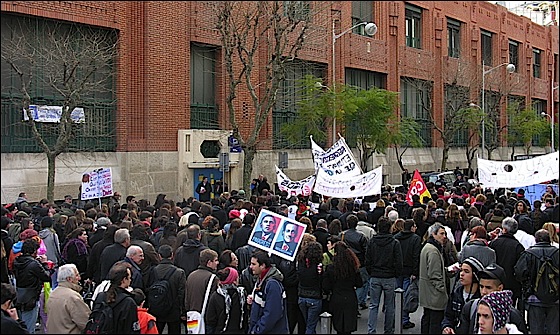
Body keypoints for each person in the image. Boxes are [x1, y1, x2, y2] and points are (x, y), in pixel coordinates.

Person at [456, 263, 528, 334]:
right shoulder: (470, 307)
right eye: (481, 286)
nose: (483, 292)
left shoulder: (513, 315)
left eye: (488, 287)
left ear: (500, 288)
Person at [514, 229, 559, 334]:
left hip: (534, 297)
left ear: (536, 240)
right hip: (555, 297)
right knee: (554, 329)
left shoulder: (528, 253)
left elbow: (519, 273)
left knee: (536, 329)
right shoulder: (557, 253)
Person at [364, 216, 403, 334]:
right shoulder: (394, 243)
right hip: (389, 277)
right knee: (390, 306)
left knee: (373, 305)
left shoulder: (372, 242)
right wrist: (396, 274)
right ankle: (388, 330)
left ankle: (371, 330)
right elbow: (398, 261)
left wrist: (371, 272)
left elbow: (368, 260)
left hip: (375, 276)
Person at [322, 241, 363, 334]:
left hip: (336, 298)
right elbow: (359, 283)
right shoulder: (353, 268)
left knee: (338, 327)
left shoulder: (331, 268)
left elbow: (326, 286)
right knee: (348, 328)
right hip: (350, 298)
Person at [13, 239, 52, 333]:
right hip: (31, 297)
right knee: (29, 327)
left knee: (22, 325)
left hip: (19, 296)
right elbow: (46, 277)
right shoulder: (33, 264)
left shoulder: (17, 261)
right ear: (34, 251)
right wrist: (45, 264)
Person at [92, 261, 140, 334]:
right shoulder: (128, 302)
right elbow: (132, 329)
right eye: (129, 278)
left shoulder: (101, 296)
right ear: (124, 280)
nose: (131, 280)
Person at [247, 250, 289, 334]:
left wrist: (257, 330)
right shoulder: (260, 280)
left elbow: (272, 314)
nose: (250, 267)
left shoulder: (272, 284)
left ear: (263, 265)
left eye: (254, 264)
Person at [488, 217, 525, 310]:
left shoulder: (494, 243)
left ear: (504, 229)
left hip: (495, 279)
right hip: (512, 282)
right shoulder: (518, 246)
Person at [441, 257, 484, 334]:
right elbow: (448, 316)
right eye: (461, 270)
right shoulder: (456, 293)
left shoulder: (481, 298)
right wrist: (447, 327)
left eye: (466, 271)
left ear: (475, 276)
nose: (461, 274)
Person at [419, 222, 448, 334]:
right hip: (434, 294)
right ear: (433, 234)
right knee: (435, 323)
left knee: (427, 319)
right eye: (441, 233)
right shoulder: (433, 251)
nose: (444, 236)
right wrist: (442, 290)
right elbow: (435, 274)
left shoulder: (427, 247)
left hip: (428, 293)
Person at [45, 264, 90, 334]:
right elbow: (85, 322)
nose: (79, 278)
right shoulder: (72, 297)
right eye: (77, 275)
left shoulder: (53, 294)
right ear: (69, 279)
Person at [394, 218, 421, 329]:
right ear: (411, 227)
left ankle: (397, 317)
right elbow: (416, 256)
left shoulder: (396, 238)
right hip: (409, 270)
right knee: (407, 296)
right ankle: (404, 319)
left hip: (397, 270)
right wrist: (415, 271)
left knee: (397, 295)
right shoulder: (415, 239)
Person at [185, 248, 220, 332]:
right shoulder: (213, 278)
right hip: (205, 318)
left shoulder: (191, 275)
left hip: (192, 316)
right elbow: (212, 301)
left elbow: (186, 297)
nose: (217, 263)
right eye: (215, 260)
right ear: (209, 263)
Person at [205, 266, 247, 334]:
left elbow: (210, 320)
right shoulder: (241, 295)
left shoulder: (216, 295)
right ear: (234, 280)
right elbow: (245, 316)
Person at [296, 241, 324, 334]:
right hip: (314, 297)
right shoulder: (318, 265)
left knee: (307, 323)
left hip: (302, 296)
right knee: (310, 326)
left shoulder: (301, 263)